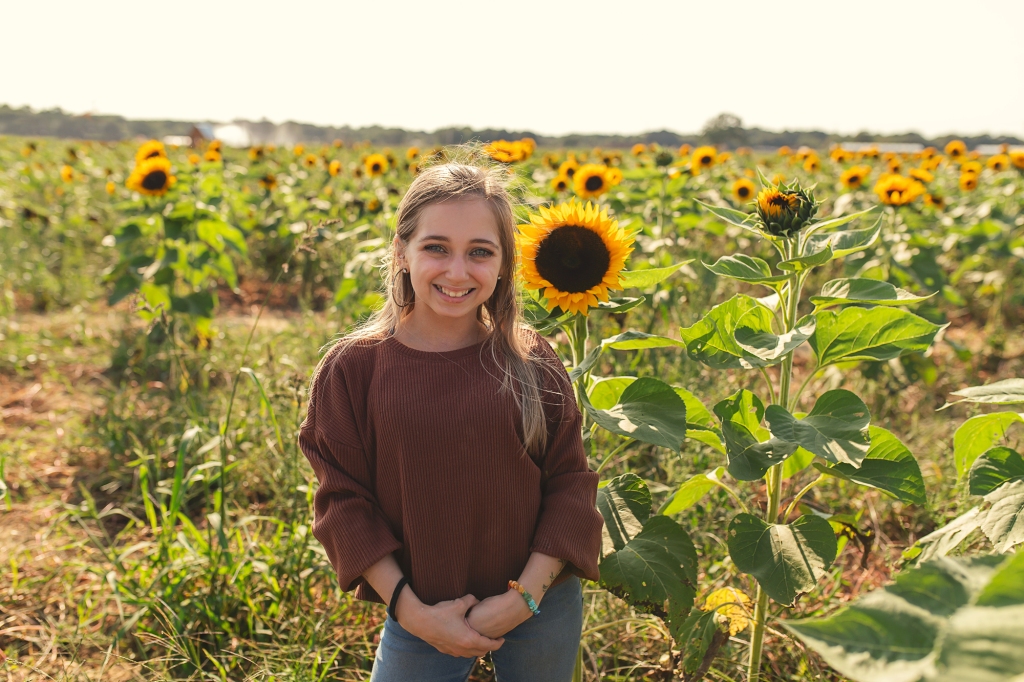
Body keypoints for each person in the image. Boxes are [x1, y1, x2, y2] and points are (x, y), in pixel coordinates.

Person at [298, 157, 603, 682]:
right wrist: (414, 613)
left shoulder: (530, 362)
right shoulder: (354, 370)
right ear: (401, 251)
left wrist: (521, 599)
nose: (457, 272)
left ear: (505, 264)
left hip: (538, 605)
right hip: (418, 613)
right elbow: (344, 503)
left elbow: (571, 485)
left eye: (479, 253)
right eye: (436, 247)